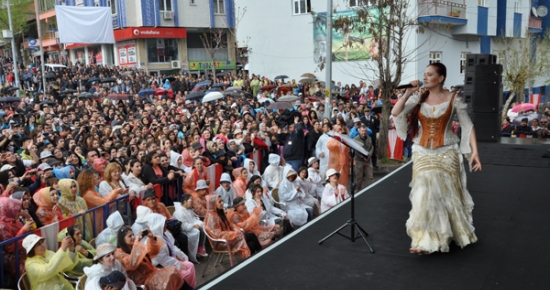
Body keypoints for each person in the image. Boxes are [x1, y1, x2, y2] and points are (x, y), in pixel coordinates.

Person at [391, 63, 481, 255]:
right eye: (424, 74)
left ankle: (444, 234)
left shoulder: (454, 100)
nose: (425, 77)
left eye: (429, 74)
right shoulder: (418, 98)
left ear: (440, 78)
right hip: (422, 151)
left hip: (447, 151)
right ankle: (424, 239)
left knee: (444, 195)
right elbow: (396, 112)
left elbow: (468, 125)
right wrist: (407, 93)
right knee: (423, 193)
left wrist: (475, 152)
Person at [114, 226, 188, 290]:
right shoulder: (119, 253)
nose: (133, 237)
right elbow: (132, 263)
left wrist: (152, 237)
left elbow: (154, 251)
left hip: (153, 273)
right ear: (122, 239)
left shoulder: (136, 246)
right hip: (143, 281)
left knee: (175, 276)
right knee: (170, 277)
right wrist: (136, 242)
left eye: (133, 235)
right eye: (130, 236)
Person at [145, 213, 196, 288]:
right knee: (186, 273)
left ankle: (190, 286)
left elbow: (172, 246)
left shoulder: (165, 234)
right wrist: (178, 264)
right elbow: (163, 260)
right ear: (158, 225)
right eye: (163, 223)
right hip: (162, 266)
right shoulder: (154, 242)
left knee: (190, 265)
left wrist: (180, 255)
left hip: (172, 259)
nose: (166, 225)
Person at [0, 196, 34, 286]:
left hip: (23, 253)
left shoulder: (14, 221)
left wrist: (27, 216)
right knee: (26, 278)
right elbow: (10, 247)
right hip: (14, 259)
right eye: (17, 210)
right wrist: (23, 230)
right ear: (8, 210)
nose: (19, 213)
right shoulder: (2, 226)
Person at [172, 197, 208, 261]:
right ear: (185, 201)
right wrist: (193, 226)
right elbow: (183, 225)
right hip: (185, 230)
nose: (192, 203)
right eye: (190, 201)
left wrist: (199, 224)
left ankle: (199, 248)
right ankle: (196, 251)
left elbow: (194, 219)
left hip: (191, 226)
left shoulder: (189, 209)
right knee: (197, 232)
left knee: (202, 227)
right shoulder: (179, 212)